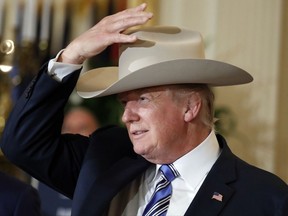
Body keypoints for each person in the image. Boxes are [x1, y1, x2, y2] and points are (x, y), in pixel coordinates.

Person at [0, 3, 287, 216]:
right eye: (125, 102)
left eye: (143, 100)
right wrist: (71, 56)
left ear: (190, 106)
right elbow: (23, 144)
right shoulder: (105, 161)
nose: (127, 115)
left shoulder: (265, 198)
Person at [33, 107, 99, 216]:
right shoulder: (41, 177)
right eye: (67, 128)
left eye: (82, 127)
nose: (73, 133)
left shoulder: (109, 174)